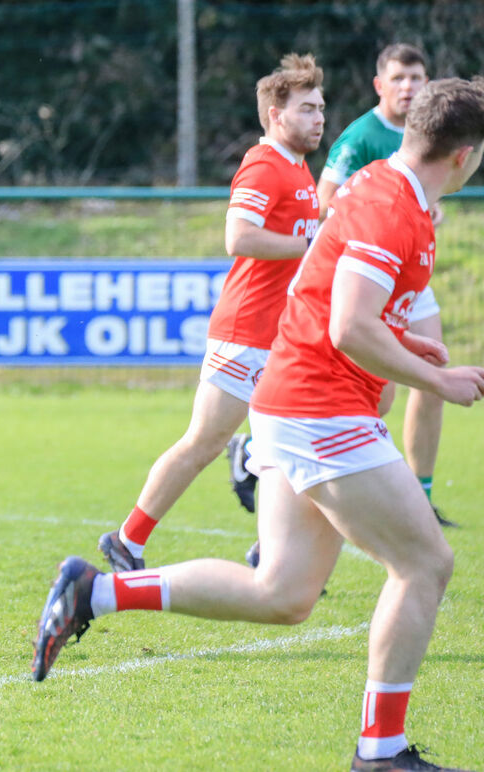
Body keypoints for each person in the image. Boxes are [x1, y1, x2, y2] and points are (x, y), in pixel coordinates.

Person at [32, 77, 484, 771]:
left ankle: (95, 591)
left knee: (283, 594)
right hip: (319, 407)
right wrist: (436, 378)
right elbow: (349, 324)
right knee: (425, 562)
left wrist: (407, 344)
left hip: (298, 403)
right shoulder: (392, 206)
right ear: (464, 156)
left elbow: (345, 304)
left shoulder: (389, 191)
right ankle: (381, 749)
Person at [96, 53, 323, 573]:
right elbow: (237, 237)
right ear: (274, 113)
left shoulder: (298, 166)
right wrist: (308, 244)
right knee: (202, 441)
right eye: (307, 108)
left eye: (321, 108)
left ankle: (272, 545)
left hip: (284, 334)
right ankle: (128, 540)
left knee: (300, 437)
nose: (318, 119)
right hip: (246, 331)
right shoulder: (264, 165)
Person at [230, 44, 456, 528]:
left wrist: (425, 209)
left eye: (417, 78)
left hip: (402, 261)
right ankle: (262, 453)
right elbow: (325, 212)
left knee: (401, 381)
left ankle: (417, 490)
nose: (409, 87)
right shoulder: (358, 139)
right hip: (369, 262)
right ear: (380, 85)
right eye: (399, 78)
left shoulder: (429, 139)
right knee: (424, 563)